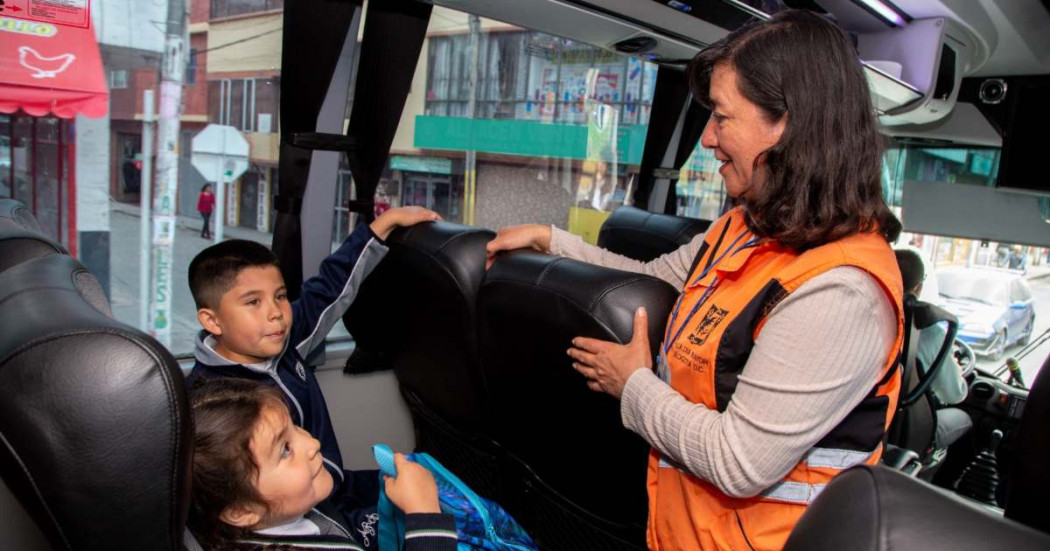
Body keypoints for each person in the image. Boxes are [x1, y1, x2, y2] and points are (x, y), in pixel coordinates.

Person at [486, 10, 904, 550]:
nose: (706, 137)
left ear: (788, 126)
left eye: (722, 117)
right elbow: (651, 278)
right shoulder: (743, 229)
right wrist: (552, 241)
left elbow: (739, 461)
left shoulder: (842, 291)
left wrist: (632, 385)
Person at [185, 206, 439, 528]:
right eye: (253, 302)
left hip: (334, 484)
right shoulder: (212, 404)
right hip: (302, 511)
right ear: (212, 320)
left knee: (435, 488)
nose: (276, 313)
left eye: (279, 296)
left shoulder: (282, 342)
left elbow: (327, 288)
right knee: (417, 522)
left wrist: (381, 226)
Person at [187, 377, 457, 550]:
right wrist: (424, 515)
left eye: (295, 426)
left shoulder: (290, 512)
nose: (313, 443)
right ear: (240, 511)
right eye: (284, 450)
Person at [896, 249, 972, 450]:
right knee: (965, 418)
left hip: (866, 419)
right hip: (903, 431)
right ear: (919, 287)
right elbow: (954, 394)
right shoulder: (931, 334)